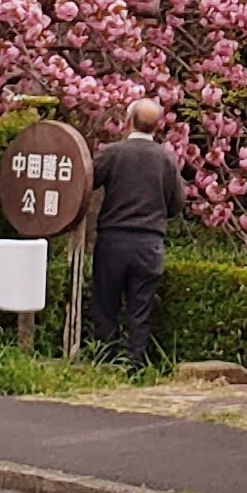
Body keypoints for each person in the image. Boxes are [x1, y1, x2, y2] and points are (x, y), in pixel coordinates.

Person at [87, 99, 184, 364]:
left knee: (106, 305)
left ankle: (105, 360)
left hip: (113, 239)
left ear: (128, 122)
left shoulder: (113, 153)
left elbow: (86, 182)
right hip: (149, 242)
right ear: (157, 126)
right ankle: (136, 363)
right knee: (141, 308)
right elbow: (177, 204)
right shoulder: (167, 158)